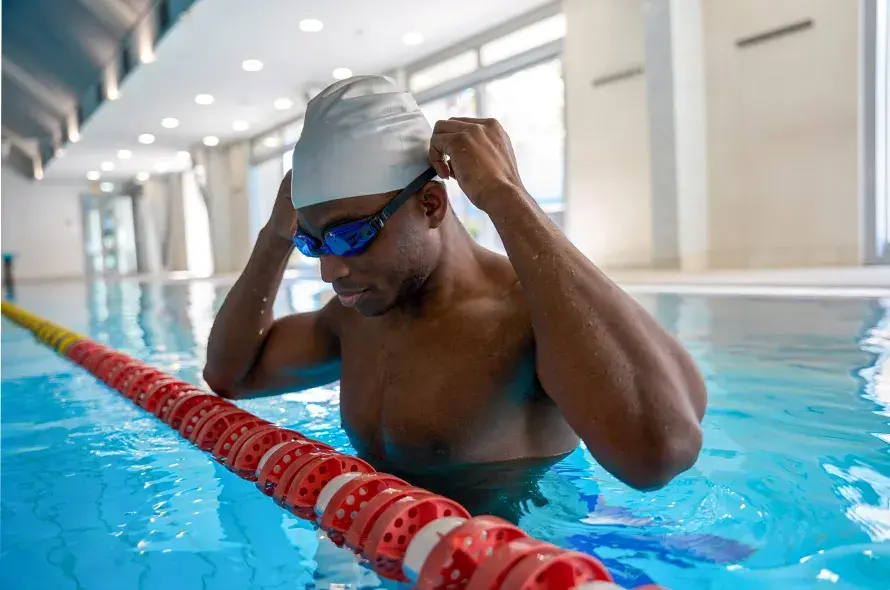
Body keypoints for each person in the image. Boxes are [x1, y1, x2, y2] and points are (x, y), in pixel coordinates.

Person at [204, 75, 706, 492]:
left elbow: (659, 452)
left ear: (431, 205)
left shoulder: (526, 315)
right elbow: (232, 376)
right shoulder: (357, 317)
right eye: (313, 243)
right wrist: (275, 237)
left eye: (350, 235)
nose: (329, 270)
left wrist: (504, 195)